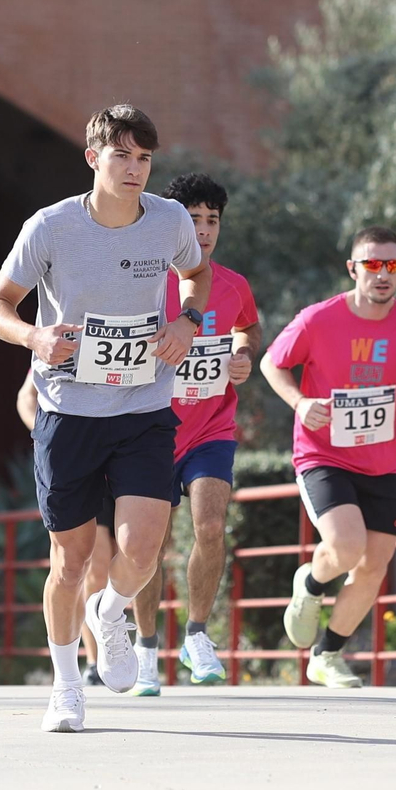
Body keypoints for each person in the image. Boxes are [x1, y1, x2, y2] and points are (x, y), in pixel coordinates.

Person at [0, 103, 210, 733]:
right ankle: (65, 686)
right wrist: (33, 338)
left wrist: (187, 322)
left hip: (143, 406)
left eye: (145, 158)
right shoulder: (51, 227)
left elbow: (197, 274)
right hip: (68, 413)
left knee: (142, 549)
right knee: (70, 560)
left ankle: (110, 613)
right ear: (94, 158)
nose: (135, 169)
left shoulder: (167, 220)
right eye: (122, 156)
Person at [267, 226, 396, 687]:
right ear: (353, 269)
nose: (382, 274)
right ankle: (310, 584)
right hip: (323, 455)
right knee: (347, 547)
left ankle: (326, 655)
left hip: (382, 464)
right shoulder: (318, 319)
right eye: (372, 264)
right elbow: (273, 362)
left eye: (392, 265)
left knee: (373, 564)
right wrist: (301, 404)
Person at [126, 173, 262, 695]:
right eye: (194, 219)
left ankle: (198, 634)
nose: (204, 231)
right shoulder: (141, 281)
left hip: (211, 428)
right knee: (149, 546)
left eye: (213, 221)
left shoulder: (232, 284)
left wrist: (244, 353)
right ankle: (144, 648)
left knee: (210, 527)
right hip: (151, 429)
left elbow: (248, 327)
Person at [17, 375, 112, 686]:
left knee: (137, 558)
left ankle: (134, 647)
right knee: (90, 565)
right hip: (79, 458)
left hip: (125, 456)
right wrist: (49, 436)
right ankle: (95, 661)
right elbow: (26, 397)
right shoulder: (62, 336)